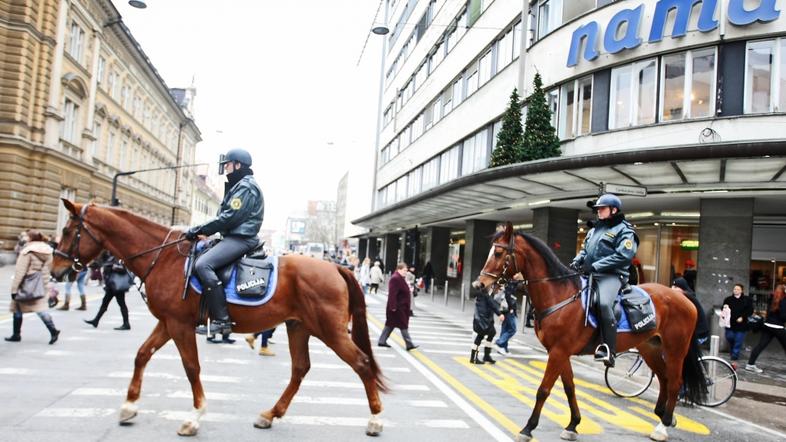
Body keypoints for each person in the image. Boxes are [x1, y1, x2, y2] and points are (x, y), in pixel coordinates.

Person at [184, 148, 264, 336]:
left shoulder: (245, 187)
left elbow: (229, 217)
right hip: (234, 236)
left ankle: (222, 320)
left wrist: (200, 229)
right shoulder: (241, 185)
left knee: (203, 264)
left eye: (227, 164)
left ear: (237, 165)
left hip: (241, 239)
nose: (225, 169)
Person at [570, 193, 638, 367]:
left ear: (613, 210)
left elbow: (624, 256)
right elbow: (585, 251)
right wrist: (577, 260)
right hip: (592, 274)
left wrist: (597, 266)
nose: (598, 212)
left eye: (602, 208)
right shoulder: (594, 230)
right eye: (598, 209)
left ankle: (609, 350)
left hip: (613, 276)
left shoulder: (625, 230)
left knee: (603, 304)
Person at [5, 230, 60, 344]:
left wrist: (14, 289)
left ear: (30, 238)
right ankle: (16, 334)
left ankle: (53, 331)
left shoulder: (27, 251)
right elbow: (48, 268)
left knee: (37, 309)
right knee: (21, 308)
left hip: (26, 285)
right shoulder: (48, 250)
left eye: (26, 236)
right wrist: (44, 283)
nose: (24, 238)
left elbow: (20, 272)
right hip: (40, 284)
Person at [84, 252, 134, 330]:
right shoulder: (110, 257)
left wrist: (114, 267)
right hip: (111, 285)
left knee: (121, 304)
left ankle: (126, 323)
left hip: (117, 286)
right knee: (105, 303)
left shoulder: (119, 257)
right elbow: (102, 264)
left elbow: (124, 269)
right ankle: (96, 320)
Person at [745, 284, 786, 373]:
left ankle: (750, 364)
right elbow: (783, 316)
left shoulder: (771, 299)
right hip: (778, 327)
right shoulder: (783, 300)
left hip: (768, 326)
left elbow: (767, 313)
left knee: (760, 345)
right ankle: (750, 365)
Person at [377, 263, 418, 351]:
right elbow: (392, 294)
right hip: (397, 308)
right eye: (404, 270)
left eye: (406, 271)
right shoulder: (395, 278)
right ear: (399, 269)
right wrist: (393, 307)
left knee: (390, 325)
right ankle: (409, 344)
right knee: (403, 325)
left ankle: (382, 340)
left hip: (400, 307)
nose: (406, 272)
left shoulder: (400, 278)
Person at [671, 277, 709, 345]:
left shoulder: (687, 298)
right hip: (696, 334)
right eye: (672, 286)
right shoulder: (685, 297)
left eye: (676, 287)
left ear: (682, 288)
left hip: (699, 335)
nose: (672, 289)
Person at [471, 286, 504, 364]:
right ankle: (475, 357)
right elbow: (492, 304)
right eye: (498, 289)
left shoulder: (483, 293)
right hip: (483, 320)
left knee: (491, 333)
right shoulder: (485, 294)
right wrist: (499, 314)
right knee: (480, 336)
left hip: (483, 319)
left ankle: (485, 356)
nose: (499, 291)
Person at [722, 283, 754, 361]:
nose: (735, 290)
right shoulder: (728, 299)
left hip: (742, 324)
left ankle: (735, 355)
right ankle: (733, 351)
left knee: (738, 340)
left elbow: (750, 310)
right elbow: (723, 309)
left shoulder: (747, 300)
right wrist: (724, 308)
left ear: (742, 291)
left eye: (738, 289)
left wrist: (742, 317)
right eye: (734, 289)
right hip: (730, 323)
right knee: (729, 337)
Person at [496, 273, 523, 355]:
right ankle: (499, 342)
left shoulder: (511, 282)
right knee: (512, 329)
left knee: (505, 329)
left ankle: (503, 348)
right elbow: (508, 295)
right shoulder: (510, 283)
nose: (518, 275)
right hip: (508, 309)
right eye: (517, 274)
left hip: (505, 309)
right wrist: (511, 307)